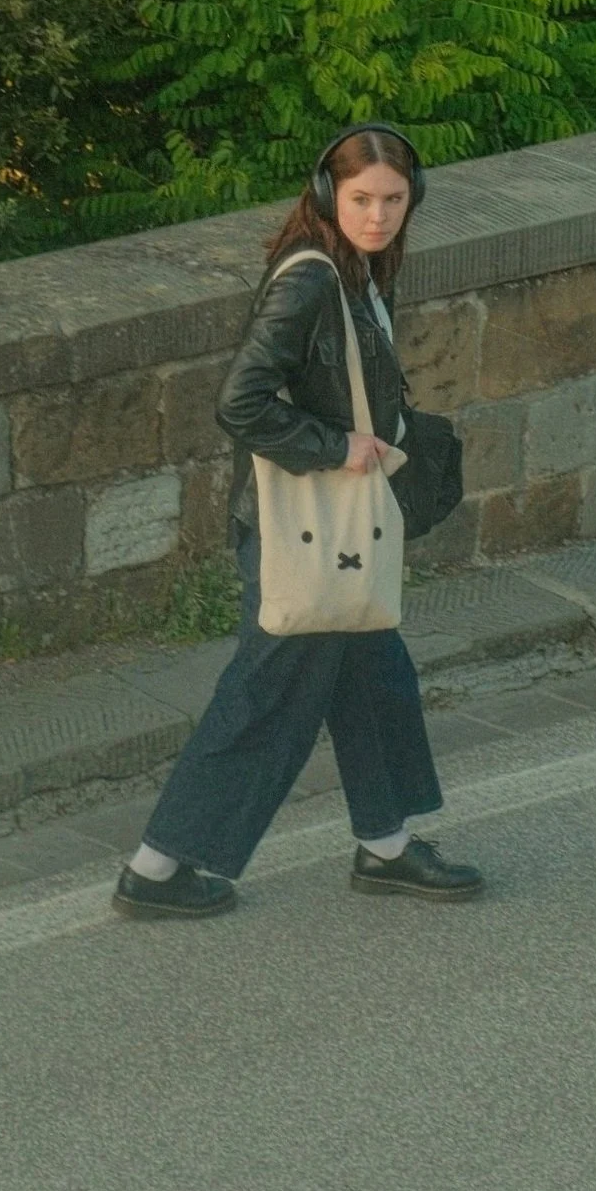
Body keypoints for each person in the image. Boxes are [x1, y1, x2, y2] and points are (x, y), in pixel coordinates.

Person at [113, 123, 484, 919]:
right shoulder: (310, 280)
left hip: (335, 531)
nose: (379, 215)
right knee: (266, 692)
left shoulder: (359, 273)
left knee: (376, 677)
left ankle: (385, 848)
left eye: (393, 199)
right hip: (305, 529)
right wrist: (335, 446)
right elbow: (239, 403)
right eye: (361, 199)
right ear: (327, 194)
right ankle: (156, 869)